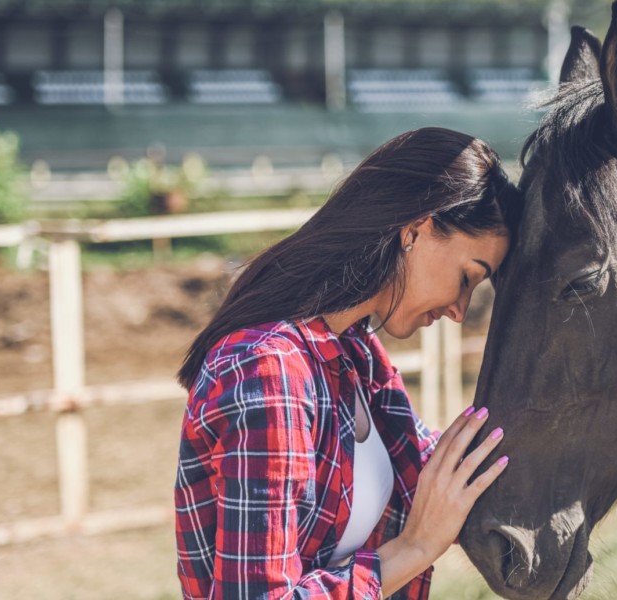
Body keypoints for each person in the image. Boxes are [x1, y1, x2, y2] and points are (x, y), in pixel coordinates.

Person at [174, 127, 520, 600]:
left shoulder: (352, 354)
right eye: (467, 277)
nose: (460, 310)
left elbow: (436, 480)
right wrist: (414, 548)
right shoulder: (268, 372)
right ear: (416, 229)